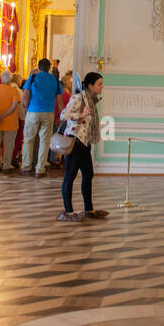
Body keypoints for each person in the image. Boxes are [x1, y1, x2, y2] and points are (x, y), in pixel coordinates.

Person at [57, 73, 108, 222]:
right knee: (70, 176)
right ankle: (68, 211)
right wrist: (81, 114)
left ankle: (89, 208)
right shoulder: (78, 98)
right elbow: (63, 115)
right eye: (99, 84)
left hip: (85, 142)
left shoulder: (90, 99)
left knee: (88, 174)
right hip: (75, 140)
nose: (102, 86)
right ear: (91, 86)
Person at [20, 58, 61, 177]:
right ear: (49, 68)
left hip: (33, 111)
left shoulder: (32, 78)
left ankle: (26, 167)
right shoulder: (55, 80)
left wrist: (27, 108)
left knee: (28, 140)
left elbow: (26, 95)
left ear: (39, 67)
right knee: (45, 141)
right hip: (48, 112)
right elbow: (59, 101)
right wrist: (60, 115)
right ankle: (40, 169)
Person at [0, 71, 20, 174]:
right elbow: (14, 105)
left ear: (1, 79)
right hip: (10, 122)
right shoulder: (13, 91)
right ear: (10, 80)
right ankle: (6, 166)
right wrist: (3, 116)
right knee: (8, 145)